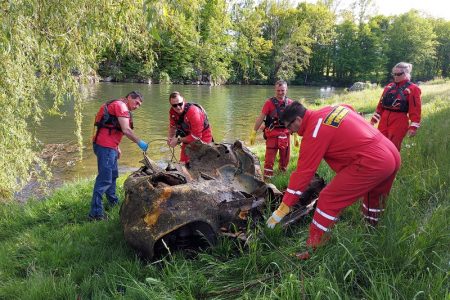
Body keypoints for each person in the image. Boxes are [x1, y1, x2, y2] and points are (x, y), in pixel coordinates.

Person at [266, 101, 401, 260]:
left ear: (298, 120)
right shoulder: (332, 109)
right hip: (390, 152)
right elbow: (349, 107)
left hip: (372, 162)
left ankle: (315, 250)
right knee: (374, 195)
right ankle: (371, 231)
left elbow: (303, 174)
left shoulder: (314, 132)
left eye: (289, 126)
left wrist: (284, 207)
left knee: (328, 199)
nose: (289, 131)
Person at [89, 91, 149, 221]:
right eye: (136, 102)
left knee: (113, 175)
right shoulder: (121, 106)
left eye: (139, 105)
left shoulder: (119, 105)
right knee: (104, 179)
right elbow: (126, 130)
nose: (137, 106)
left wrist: (117, 147)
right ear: (129, 98)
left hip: (110, 146)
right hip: (105, 147)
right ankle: (95, 214)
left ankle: (113, 202)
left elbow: (111, 128)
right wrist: (140, 142)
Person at [249, 80, 296, 179]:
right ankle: (267, 180)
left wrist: (296, 136)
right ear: (275, 90)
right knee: (269, 161)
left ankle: (282, 177)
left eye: (282, 90)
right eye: (278, 90)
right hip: (272, 135)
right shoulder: (269, 103)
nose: (280, 93)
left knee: (285, 160)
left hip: (285, 135)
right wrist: (254, 132)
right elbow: (261, 117)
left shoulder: (291, 103)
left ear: (286, 90)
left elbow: (295, 121)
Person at [370, 62, 422, 151]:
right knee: (380, 145)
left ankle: (394, 164)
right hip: (384, 120)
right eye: (394, 74)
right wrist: (373, 121)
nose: (396, 76)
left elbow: (415, 110)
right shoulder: (389, 87)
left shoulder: (413, 89)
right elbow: (380, 106)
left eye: (398, 74)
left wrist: (413, 127)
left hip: (399, 120)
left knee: (393, 148)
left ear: (406, 74)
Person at [167, 91, 213, 164]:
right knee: (183, 163)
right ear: (171, 105)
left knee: (200, 164)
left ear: (184, 101)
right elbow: (172, 127)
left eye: (180, 104)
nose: (178, 107)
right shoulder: (172, 112)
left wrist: (178, 140)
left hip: (203, 138)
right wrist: (170, 138)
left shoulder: (193, 112)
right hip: (187, 137)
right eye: (174, 105)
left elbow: (197, 137)